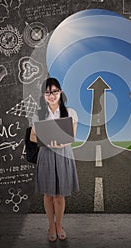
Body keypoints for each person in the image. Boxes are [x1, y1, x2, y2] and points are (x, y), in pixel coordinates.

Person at [30, 77, 79, 242]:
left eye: (55, 92)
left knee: (59, 195)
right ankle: (51, 225)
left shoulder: (71, 112)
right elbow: (32, 137)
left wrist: (60, 144)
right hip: (46, 154)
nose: (52, 95)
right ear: (44, 95)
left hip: (64, 154)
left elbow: (72, 137)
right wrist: (46, 141)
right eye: (48, 92)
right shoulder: (38, 114)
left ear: (60, 92)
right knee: (48, 195)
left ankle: (59, 225)